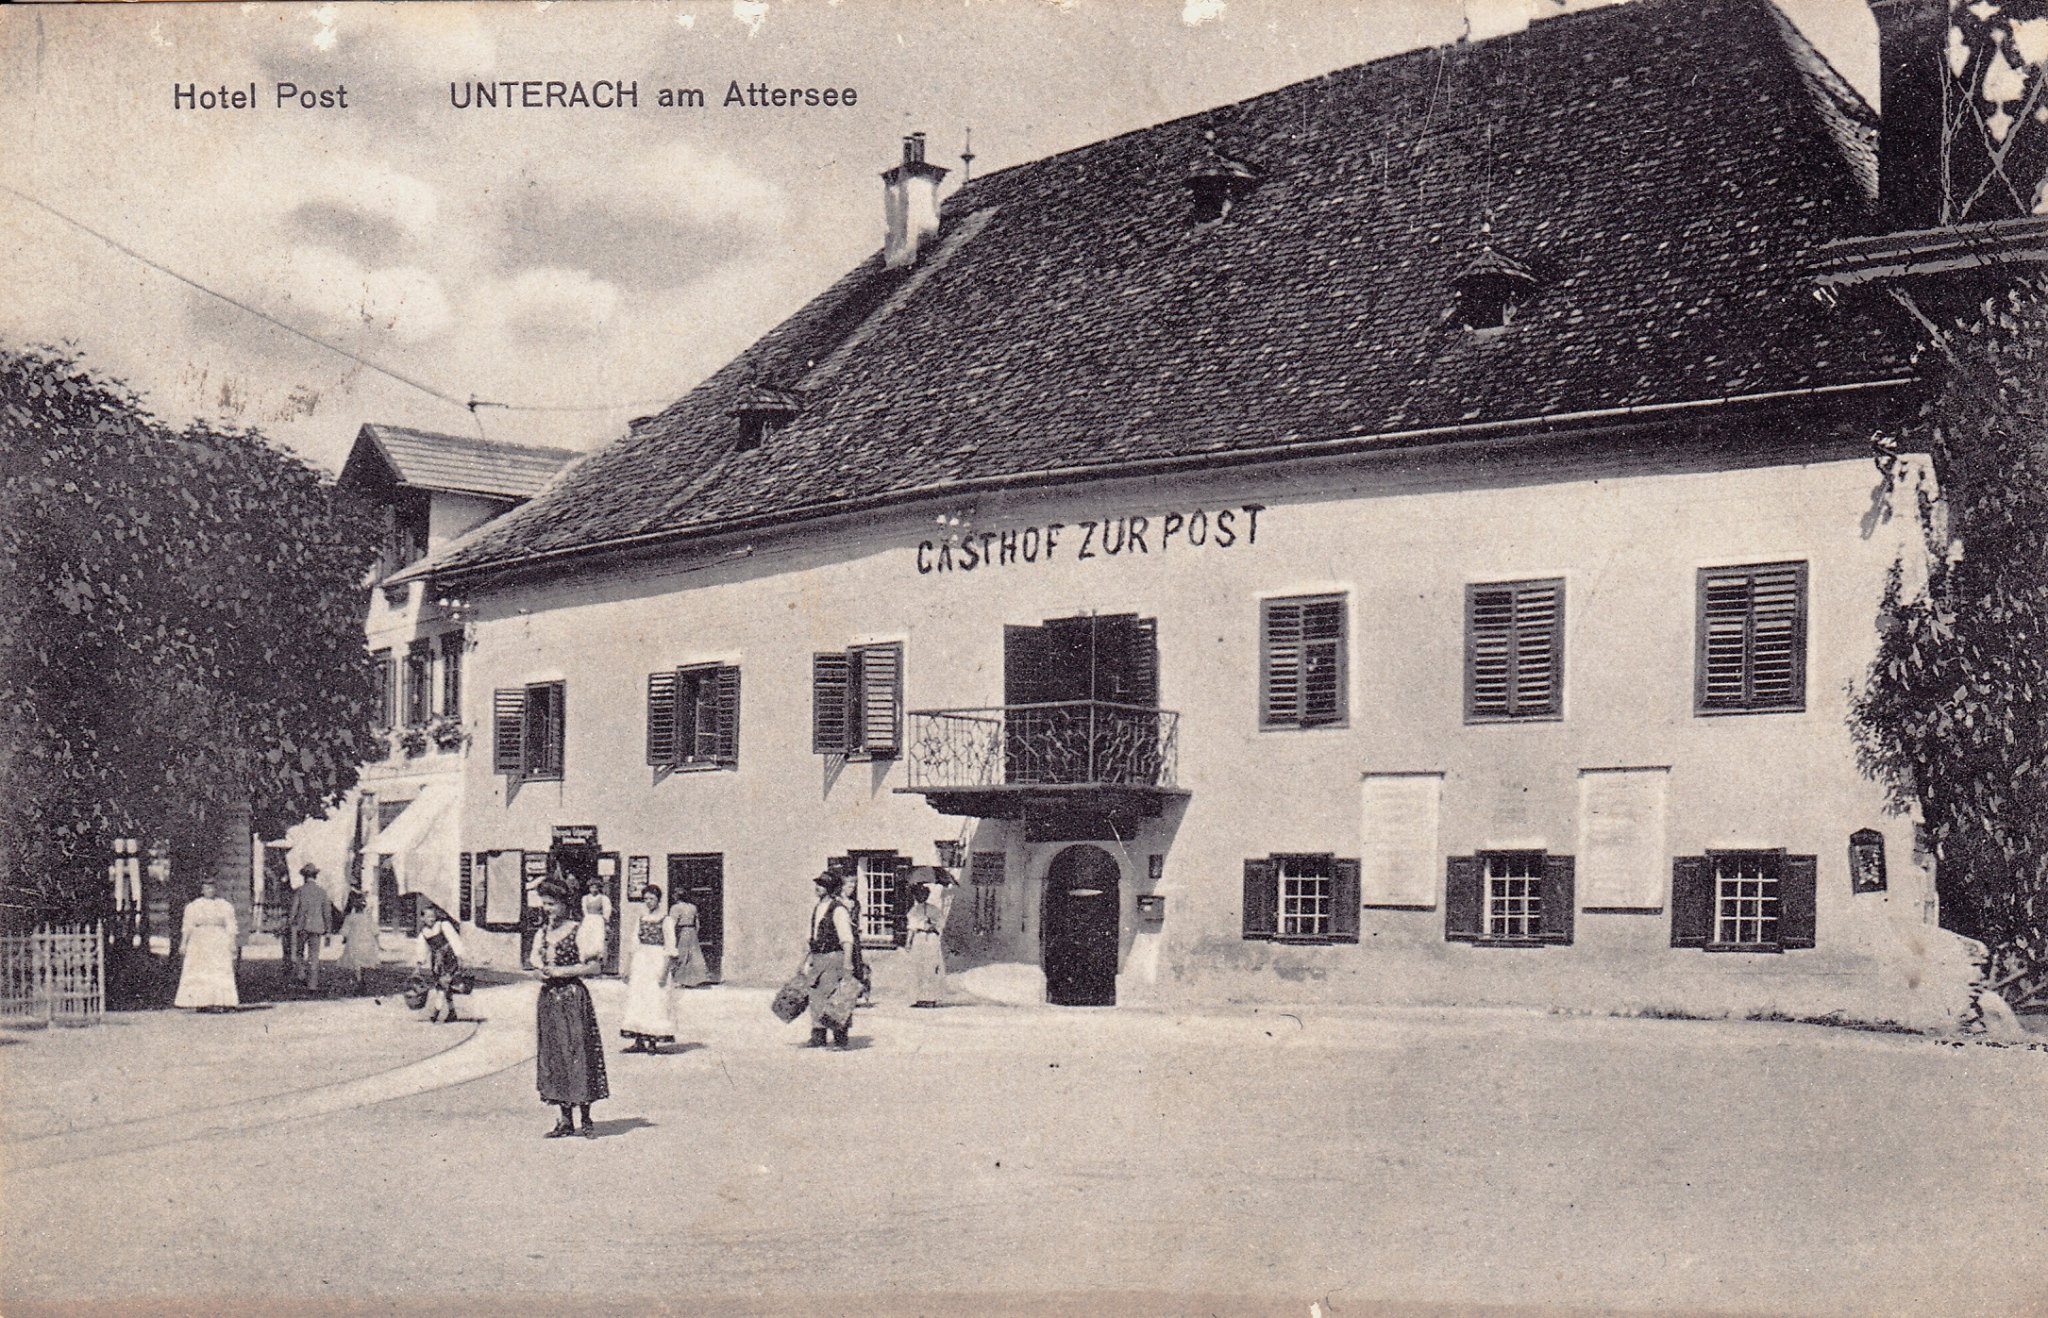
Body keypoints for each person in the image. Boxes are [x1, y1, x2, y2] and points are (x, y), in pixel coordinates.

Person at [532, 877, 609, 1137]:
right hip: (549, 1000)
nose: (547, 909)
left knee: (579, 1053)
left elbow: (595, 967)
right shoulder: (542, 933)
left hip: (573, 998)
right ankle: (565, 1120)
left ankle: (585, 1119)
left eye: (552, 904)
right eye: (545, 904)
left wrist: (562, 971)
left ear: (565, 904)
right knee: (555, 1055)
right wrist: (540, 973)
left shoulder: (580, 930)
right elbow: (536, 964)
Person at [803, 871, 859, 1049]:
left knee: (835, 997)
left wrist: (848, 964)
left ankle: (840, 1038)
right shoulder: (818, 907)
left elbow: (847, 939)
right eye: (818, 884)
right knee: (816, 997)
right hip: (818, 957)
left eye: (822, 885)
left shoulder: (838, 909)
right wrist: (805, 960)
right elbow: (811, 936)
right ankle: (818, 1036)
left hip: (833, 957)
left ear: (830, 888)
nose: (818, 887)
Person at [618, 886, 677, 1052]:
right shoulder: (641, 918)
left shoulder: (666, 920)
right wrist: (628, 967)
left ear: (658, 900)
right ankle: (638, 1040)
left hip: (657, 961)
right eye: (646, 899)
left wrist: (664, 972)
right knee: (638, 998)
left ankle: (652, 1040)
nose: (648, 902)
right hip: (641, 962)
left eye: (651, 899)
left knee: (654, 999)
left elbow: (670, 946)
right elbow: (633, 945)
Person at [173, 878, 240, 1012]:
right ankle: (201, 1002)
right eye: (207, 888)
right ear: (202, 890)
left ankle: (221, 1002)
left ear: (216, 889)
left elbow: (231, 926)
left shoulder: (224, 905)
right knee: (201, 970)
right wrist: (183, 943)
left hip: (218, 940)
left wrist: (232, 943)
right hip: (199, 941)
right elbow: (187, 926)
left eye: (212, 887)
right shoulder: (193, 906)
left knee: (219, 970)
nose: (210, 890)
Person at [905, 868, 955, 1008]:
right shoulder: (914, 911)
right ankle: (919, 998)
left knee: (931, 968)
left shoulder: (934, 909)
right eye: (918, 894)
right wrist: (908, 942)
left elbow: (941, 923)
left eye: (924, 894)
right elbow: (911, 928)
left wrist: (932, 925)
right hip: (919, 940)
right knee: (918, 968)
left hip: (931, 940)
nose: (921, 897)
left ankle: (931, 998)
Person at [417, 901, 467, 1023]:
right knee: (444, 986)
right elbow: (422, 950)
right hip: (437, 962)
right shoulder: (423, 933)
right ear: (422, 918)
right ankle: (452, 1012)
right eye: (428, 917)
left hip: (449, 958)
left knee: (443, 985)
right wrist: (419, 964)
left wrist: (460, 956)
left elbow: (455, 940)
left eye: (433, 916)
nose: (431, 919)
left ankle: (436, 1010)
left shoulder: (443, 925)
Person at [287, 864, 334, 991]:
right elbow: (327, 913)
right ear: (316, 876)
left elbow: (293, 910)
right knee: (314, 955)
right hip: (317, 927)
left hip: (301, 926)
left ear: (304, 876)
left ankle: (301, 973)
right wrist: (328, 931)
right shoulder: (322, 892)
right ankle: (312, 985)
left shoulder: (300, 891)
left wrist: (290, 923)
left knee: (299, 952)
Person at [336, 889, 380, 993]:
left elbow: (345, 931)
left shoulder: (350, 918)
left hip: (354, 941)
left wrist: (344, 939)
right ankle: (362, 979)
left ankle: (359, 980)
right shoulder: (368, 918)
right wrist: (378, 943)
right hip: (367, 941)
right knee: (364, 960)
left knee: (356, 962)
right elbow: (375, 931)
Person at [666, 890, 711, 989]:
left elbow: (672, 923)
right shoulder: (693, 907)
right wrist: (694, 933)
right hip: (692, 931)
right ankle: (697, 979)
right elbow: (697, 924)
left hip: (682, 931)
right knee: (694, 955)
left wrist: (672, 935)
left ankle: (679, 980)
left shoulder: (675, 907)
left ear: (676, 896)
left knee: (681, 954)